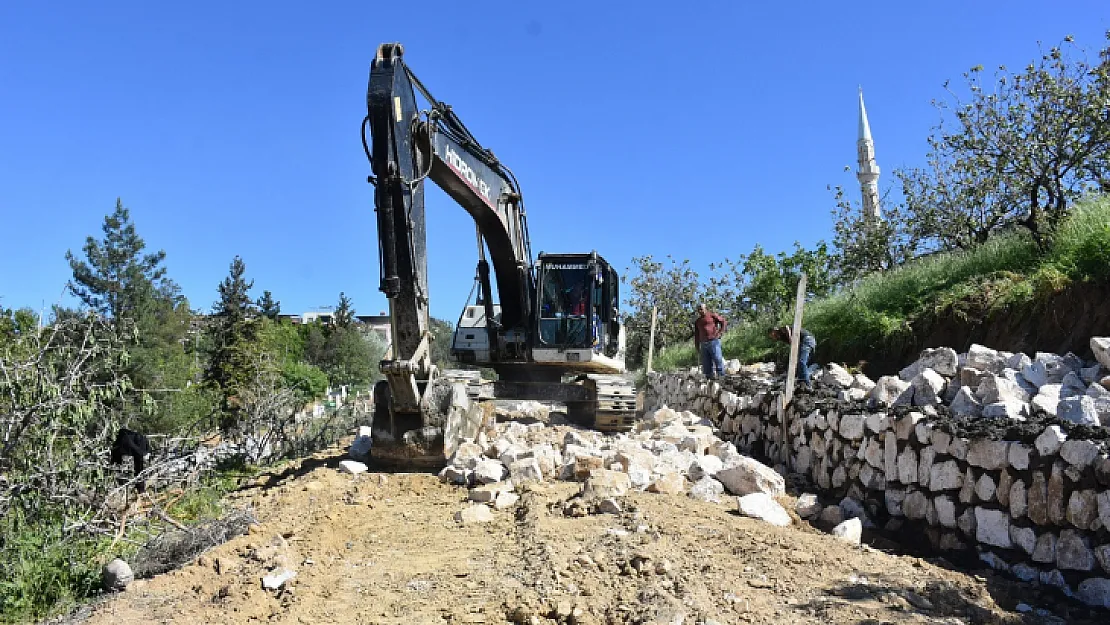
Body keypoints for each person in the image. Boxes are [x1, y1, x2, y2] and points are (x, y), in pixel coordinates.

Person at [770, 325, 817, 389]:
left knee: (801, 362)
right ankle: (805, 379)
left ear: (774, 331)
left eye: (772, 335)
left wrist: (791, 340)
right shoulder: (781, 337)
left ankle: (807, 384)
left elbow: (787, 327)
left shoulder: (781, 330)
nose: (773, 337)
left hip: (807, 340)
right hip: (806, 342)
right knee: (802, 364)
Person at [693, 304, 727, 379]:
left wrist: (720, 332)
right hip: (703, 344)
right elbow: (697, 334)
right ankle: (709, 378)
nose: (700, 311)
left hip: (713, 341)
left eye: (701, 309)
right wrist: (697, 345)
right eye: (698, 310)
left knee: (718, 359)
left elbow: (723, 321)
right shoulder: (697, 321)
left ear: (706, 309)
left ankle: (721, 377)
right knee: (706, 363)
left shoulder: (712, 315)